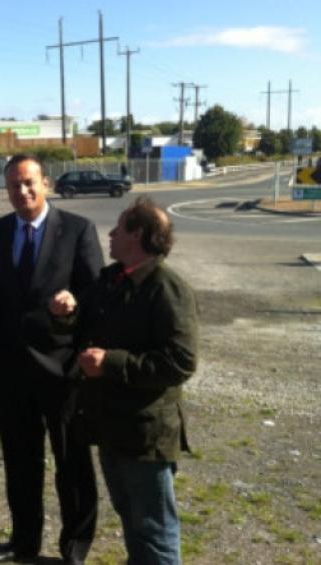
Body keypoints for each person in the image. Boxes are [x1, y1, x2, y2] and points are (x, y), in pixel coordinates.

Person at [48, 196, 199, 565]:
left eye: (119, 227)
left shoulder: (166, 287)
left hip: (146, 433)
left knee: (156, 529)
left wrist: (111, 363)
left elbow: (181, 361)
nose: (111, 234)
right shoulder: (112, 279)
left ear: (140, 235)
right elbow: (83, 325)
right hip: (112, 426)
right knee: (132, 520)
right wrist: (66, 313)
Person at [0, 154, 103, 564]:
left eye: (29, 182)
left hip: (63, 370)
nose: (22, 191)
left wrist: (76, 304)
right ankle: (23, 541)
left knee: (72, 463)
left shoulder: (77, 230)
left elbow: (96, 296)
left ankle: (75, 546)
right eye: (14, 185)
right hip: (12, 371)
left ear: (46, 183)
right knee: (20, 464)